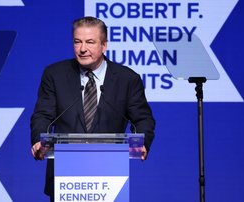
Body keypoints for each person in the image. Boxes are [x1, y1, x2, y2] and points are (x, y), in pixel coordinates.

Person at [30, 16, 155, 202]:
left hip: (108, 175)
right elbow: (43, 115)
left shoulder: (127, 79)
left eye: (90, 42)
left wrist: (143, 141)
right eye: (77, 42)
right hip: (65, 175)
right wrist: (40, 139)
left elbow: (143, 119)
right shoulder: (54, 74)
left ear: (104, 45)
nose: (82, 49)